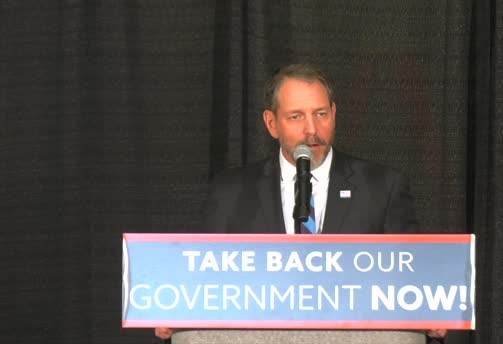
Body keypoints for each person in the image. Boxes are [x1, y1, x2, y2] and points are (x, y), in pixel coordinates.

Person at [155, 63, 446, 342]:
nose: (312, 130)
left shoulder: (383, 186)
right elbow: (203, 279)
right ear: (272, 123)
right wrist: (174, 312)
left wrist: (430, 310)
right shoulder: (231, 191)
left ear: (334, 113)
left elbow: (411, 276)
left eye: (321, 114)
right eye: (296, 117)